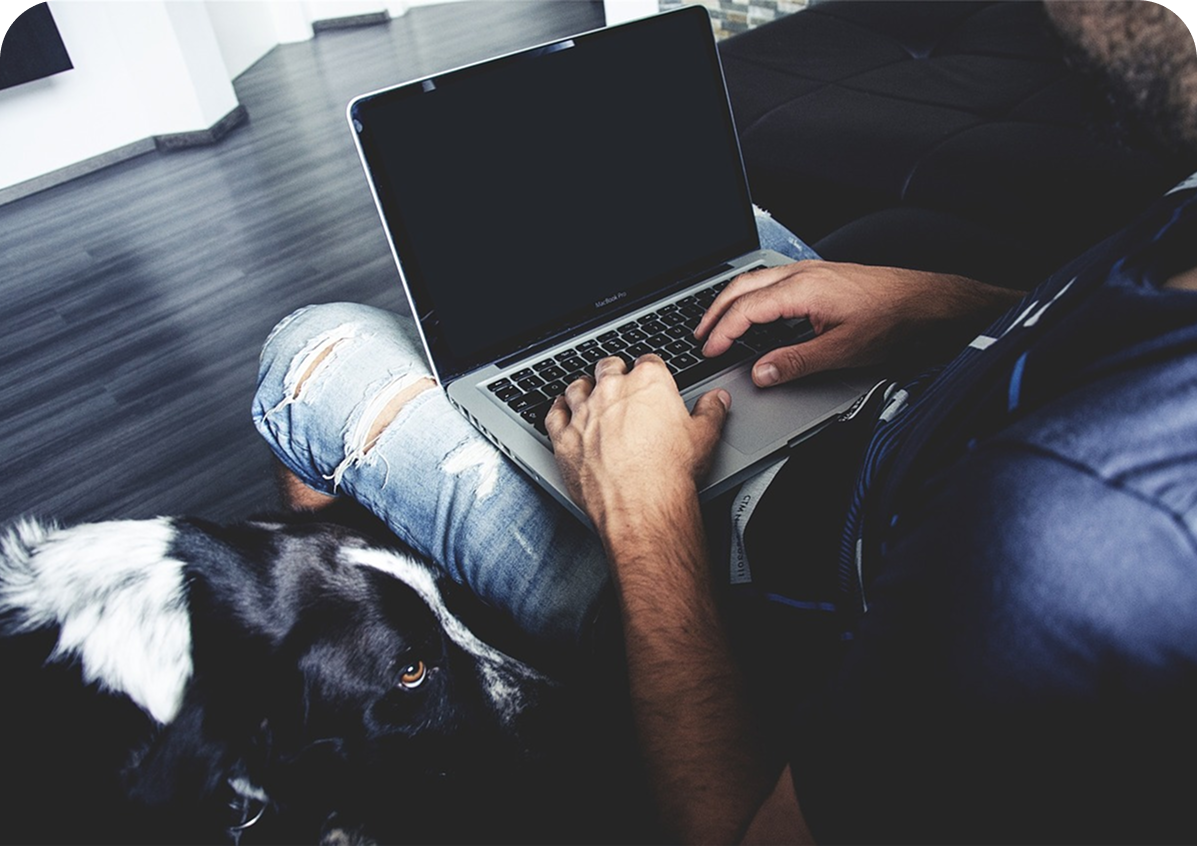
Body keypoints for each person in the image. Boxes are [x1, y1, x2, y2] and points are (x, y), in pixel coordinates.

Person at [253, 2, 1197, 841]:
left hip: (737, 581)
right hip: (899, 406)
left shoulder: (1068, 534)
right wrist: (943, 304)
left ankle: (366, 711)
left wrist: (645, 510)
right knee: (698, 230)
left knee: (309, 350)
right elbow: (1096, 337)